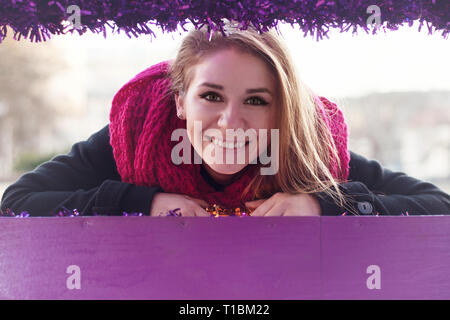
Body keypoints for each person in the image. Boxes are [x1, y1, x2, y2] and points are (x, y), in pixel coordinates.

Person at [1, 22, 449, 217]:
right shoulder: (139, 136)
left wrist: (326, 205)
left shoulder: (309, 145)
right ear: (181, 101)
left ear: (282, 109)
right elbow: (17, 203)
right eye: (211, 96)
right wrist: (140, 202)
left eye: (256, 100)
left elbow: (438, 207)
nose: (230, 123)